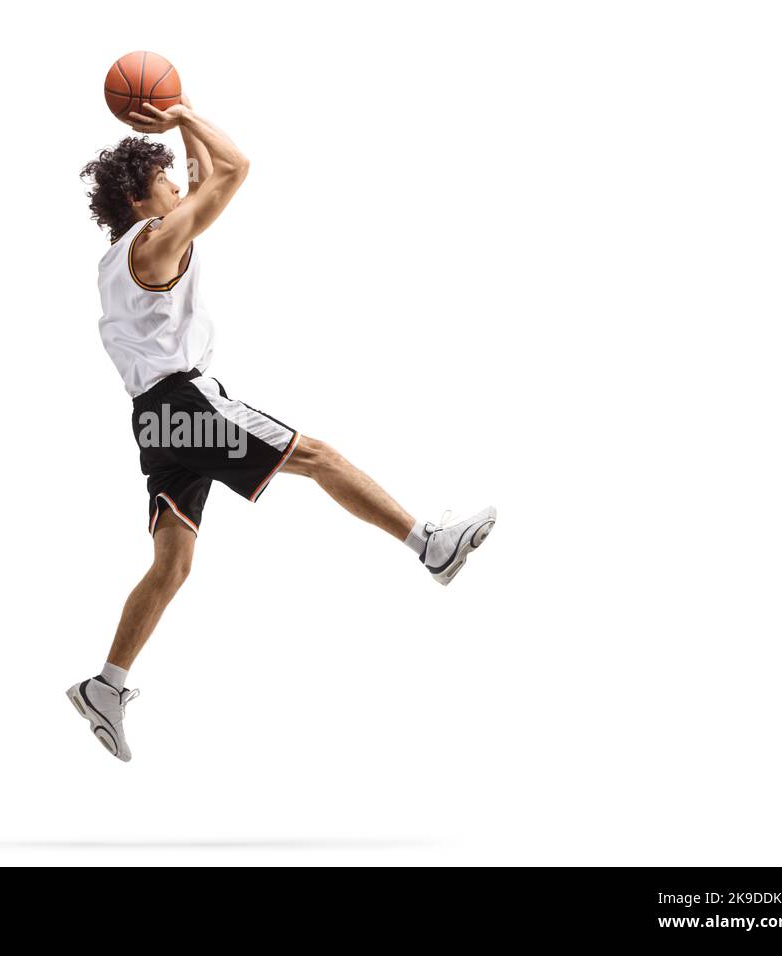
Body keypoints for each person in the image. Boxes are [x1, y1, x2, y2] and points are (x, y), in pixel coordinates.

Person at [66, 96, 496, 761]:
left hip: (155, 422)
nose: (179, 187)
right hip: (184, 408)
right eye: (166, 182)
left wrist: (182, 129)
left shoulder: (119, 255)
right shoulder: (156, 245)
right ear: (139, 196)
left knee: (172, 565)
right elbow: (234, 170)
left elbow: (207, 176)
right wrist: (181, 108)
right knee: (316, 456)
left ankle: (106, 686)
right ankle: (430, 545)